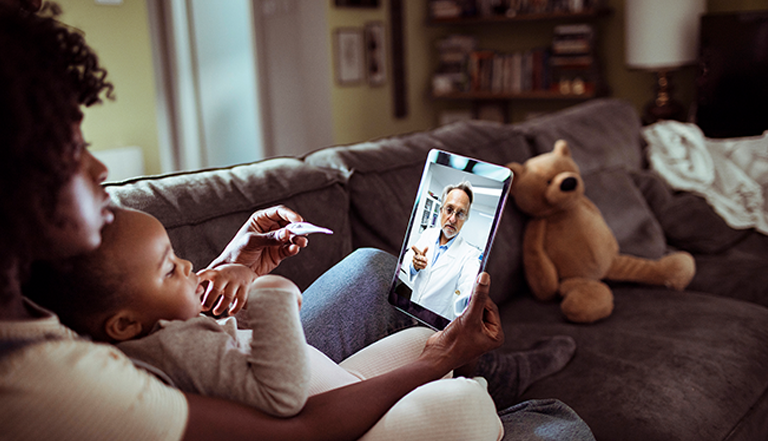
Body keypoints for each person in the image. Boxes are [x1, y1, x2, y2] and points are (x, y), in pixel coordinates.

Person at [0, 3, 595, 440]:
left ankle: (479, 370)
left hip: (251, 372)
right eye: (67, 149)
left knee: (370, 269)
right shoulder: (42, 385)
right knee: (556, 428)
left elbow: (144, 329)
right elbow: (299, 430)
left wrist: (228, 267)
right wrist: (433, 366)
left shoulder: (37, 287)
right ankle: (488, 390)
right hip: (285, 410)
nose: (98, 165)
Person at [26, 206, 504, 441]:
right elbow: (287, 402)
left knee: (409, 318)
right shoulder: (152, 363)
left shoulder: (137, 330)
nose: (190, 266)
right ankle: (500, 396)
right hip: (329, 419)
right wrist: (270, 294)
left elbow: (158, 311)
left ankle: (475, 372)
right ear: (125, 324)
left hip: (335, 381)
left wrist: (235, 269)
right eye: (171, 267)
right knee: (469, 404)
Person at [404, 181, 481, 319]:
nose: (452, 219)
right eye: (449, 209)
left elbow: (469, 286)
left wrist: (471, 299)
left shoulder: (470, 254)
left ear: (466, 219)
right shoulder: (428, 233)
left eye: (460, 214)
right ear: (441, 211)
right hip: (409, 307)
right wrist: (414, 265)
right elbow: (407, 259)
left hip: (432, 323)